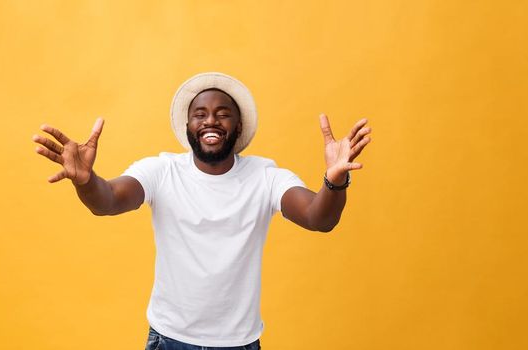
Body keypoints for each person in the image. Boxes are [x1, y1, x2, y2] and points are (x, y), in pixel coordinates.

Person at [31, 72, 372, 350]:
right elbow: (108, 201)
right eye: (200, 114)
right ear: (188, 126)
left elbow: (318, 218)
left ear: (238, 127)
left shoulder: (265, 176)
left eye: (223, 114)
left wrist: (334, 181)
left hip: (239, 344)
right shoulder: (162, 171)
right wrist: (86, 181)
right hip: (169, 339)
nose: (211, 121)